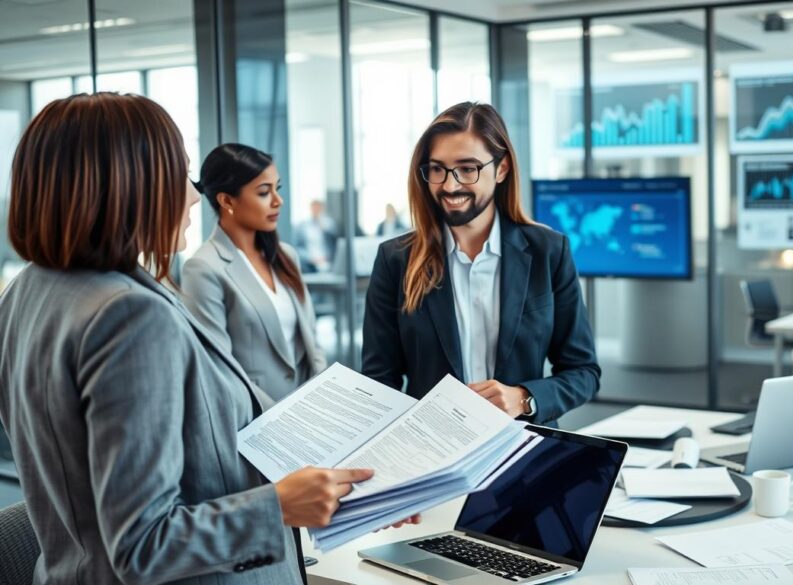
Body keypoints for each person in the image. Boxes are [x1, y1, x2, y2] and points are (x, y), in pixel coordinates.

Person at [0, 93, 418, 585]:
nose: (193, 195)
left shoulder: (29, 290)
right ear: (128, 184)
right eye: (178, 174)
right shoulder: (128, 316)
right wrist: (279, 506)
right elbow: (142, 546)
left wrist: (344, 485)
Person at [362, 102, 599, 424]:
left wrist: (524, 398)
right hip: (430, 452)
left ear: (501, 169)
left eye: (467, 168)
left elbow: (583, 372)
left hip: (523, 449)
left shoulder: (549, 251)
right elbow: (379, 379)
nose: (449, 185)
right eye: (437, 169)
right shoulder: (396, 259)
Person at [182, 144, 326, 406]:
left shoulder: (286, 256)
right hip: (257, 423)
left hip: (310, 416)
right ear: (226, 200)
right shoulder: (203, 268)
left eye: (277, 188)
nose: (277, 200)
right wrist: (279, 420)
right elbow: (220, 370)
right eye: (263, 192)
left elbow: (311, 343)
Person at [293, 199, 338, 272]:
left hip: (327, 261)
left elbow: (334, 244)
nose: (316, 210)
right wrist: (310, 258)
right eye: (314, 208)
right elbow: (298, 247)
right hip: (310, 262)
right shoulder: (303, 226)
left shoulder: (329, 224)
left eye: (318, 208)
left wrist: (323, 228)